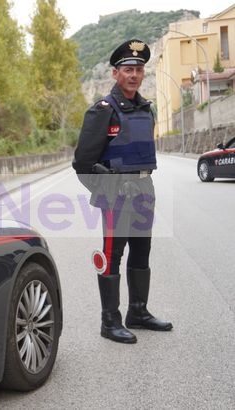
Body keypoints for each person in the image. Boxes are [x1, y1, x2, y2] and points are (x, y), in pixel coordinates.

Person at [73, 39, 173, 344]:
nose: (134, 74)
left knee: (142, 252)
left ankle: (138, 312)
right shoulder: (103, 110)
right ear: (116, 73)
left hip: (144, 188)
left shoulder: (146, 109)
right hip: (116, 194)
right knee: (112, 255)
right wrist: (108, 191)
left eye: (139, 69)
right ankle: (109, 321)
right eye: (128, 69)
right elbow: (82, 163)